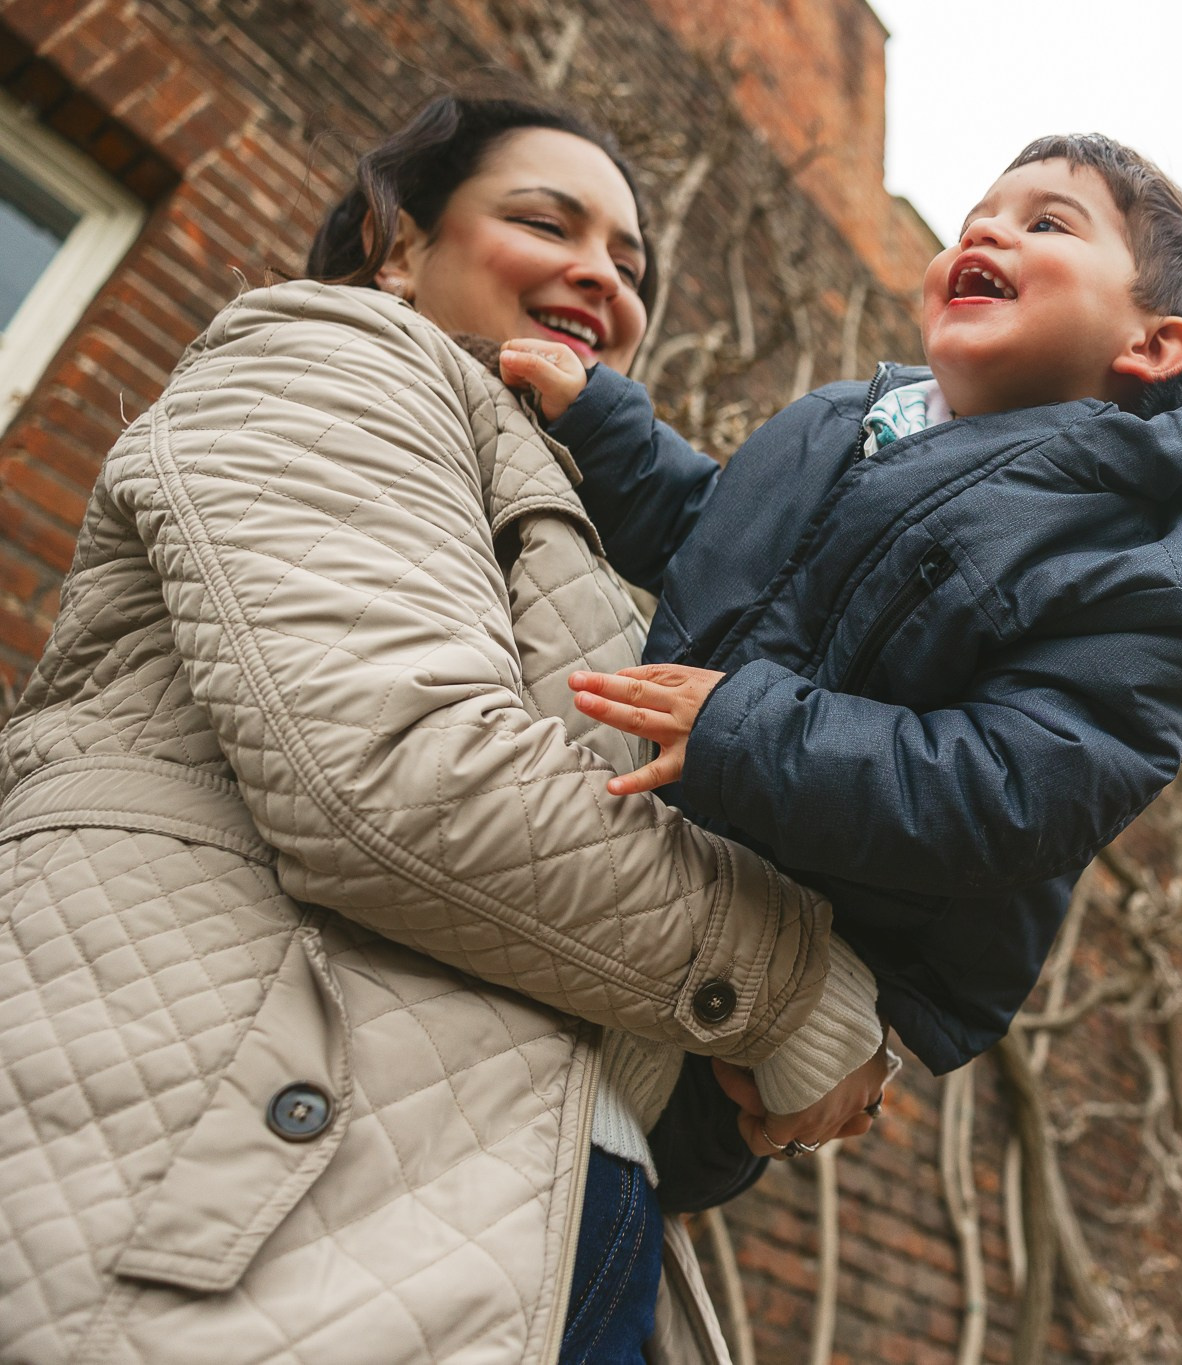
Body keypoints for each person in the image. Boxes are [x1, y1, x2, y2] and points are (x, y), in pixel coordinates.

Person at [0, 93, 886, 1365]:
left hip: (521, 1235)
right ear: (396, 245)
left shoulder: (588, 550)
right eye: (545, 220)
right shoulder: (331, 352)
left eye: (630, 266)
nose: (601, 274)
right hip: (252, 1210)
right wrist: (795, 991)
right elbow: (397, 772)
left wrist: (727, 1107)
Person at [502, 135, 1182, 1114]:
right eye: (979, 213)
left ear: (1149, 346)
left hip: (794, 971)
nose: (987, 227)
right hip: (639, 848)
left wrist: (746, 731)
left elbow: (1009, 792)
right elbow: (711, 534)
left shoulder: (1155, 577)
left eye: (1046, 222)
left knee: (610, 1172)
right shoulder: (839, 422)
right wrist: (608, 432)